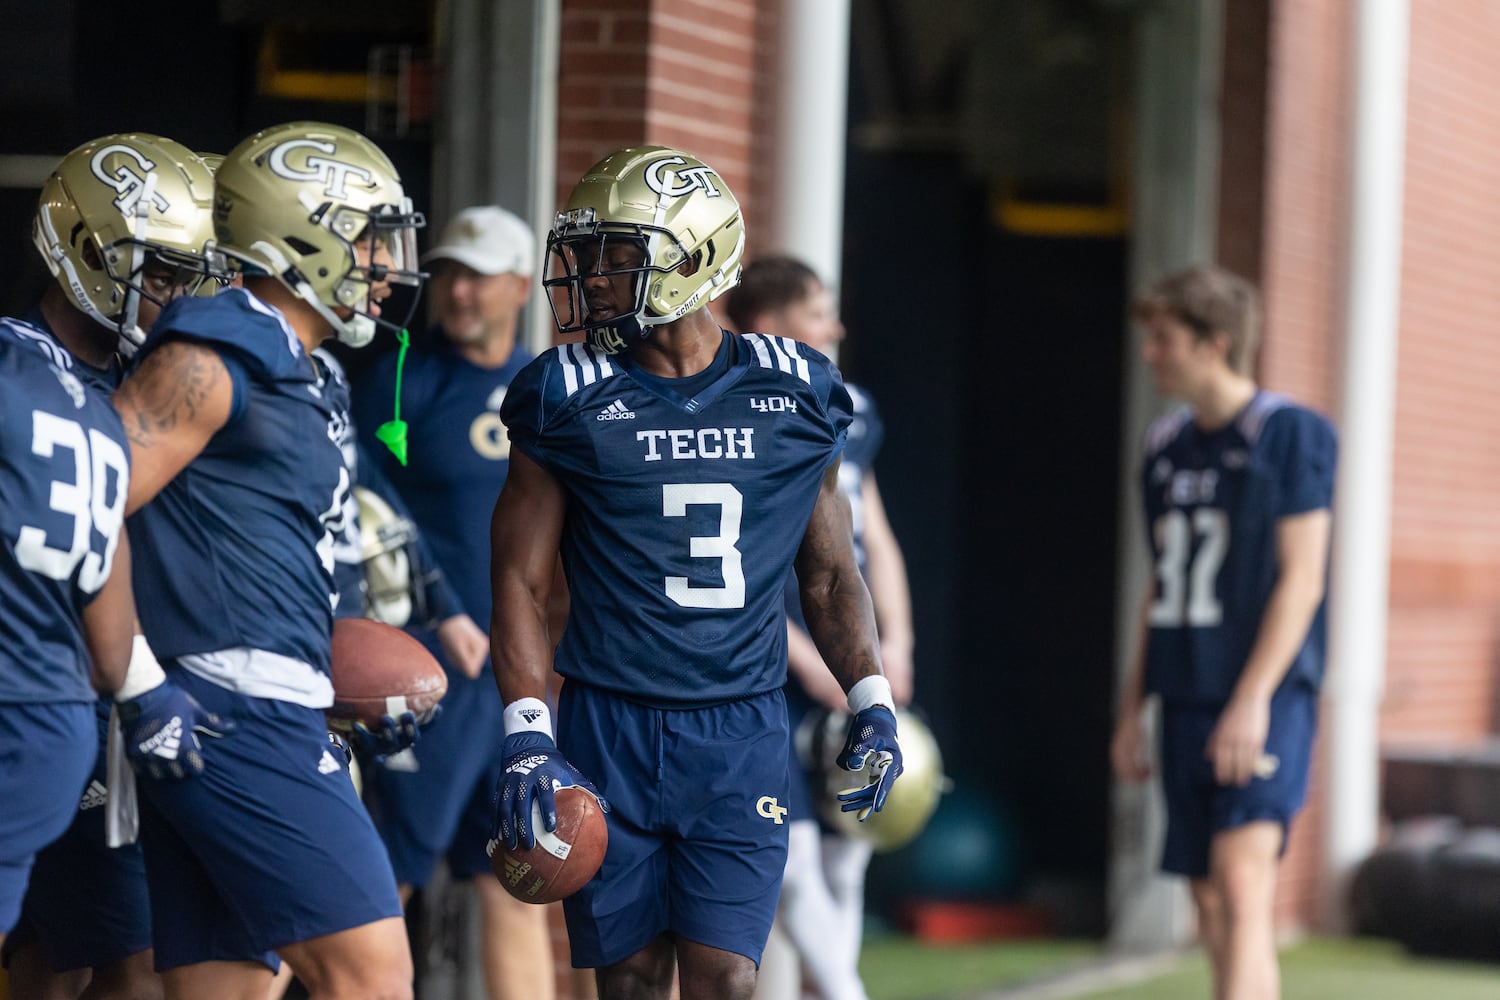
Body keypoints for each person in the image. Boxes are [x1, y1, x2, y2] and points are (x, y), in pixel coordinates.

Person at [486, 145, 905, 1000]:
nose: (592, 277)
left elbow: (829, 575)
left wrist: (872, 696)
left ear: (692, 257)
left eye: (617, 255)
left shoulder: (796, 392)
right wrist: (528, 727)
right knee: (632, 983)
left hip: (739, 730)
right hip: (609, 721)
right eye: (588, 253)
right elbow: (520, 580)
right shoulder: (564, 393)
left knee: (729, 982)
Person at [111, 120, 426, 1000]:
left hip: (252, 703)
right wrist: (140, 681)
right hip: (235, 709)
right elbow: (80, 513)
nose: (387, 268)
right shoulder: (216, 350)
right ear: (306, 233)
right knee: (372, 979)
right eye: (370, 242)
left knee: (228, 991)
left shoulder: (299, 365)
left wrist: (337, 685)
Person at [2, 132, 226, 1000]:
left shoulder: (164, 382)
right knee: (74, 964)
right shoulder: (18, 365)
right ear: (85, 249)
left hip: (108, 709)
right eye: (160, 270)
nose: (172, 296)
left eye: (184, 275)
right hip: (49, 691)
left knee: (107, 960)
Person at [1111, 265, 1336, 1000]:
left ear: (1216, 344)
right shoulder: (1166, 444)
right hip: (1183, 691)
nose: (1151, 353)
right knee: (1209, 898)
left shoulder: (1290, 435)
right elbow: (1161, 583)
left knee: (1244, 888)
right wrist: (1132, 708)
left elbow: (1303, 579)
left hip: (1261, 696)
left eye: (1165, 339)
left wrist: (1253, 699)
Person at [353, 204, 554, 1000]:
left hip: (516, 680)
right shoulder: (399, 375)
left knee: (517, 877)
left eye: (478, 276)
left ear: (517, 286)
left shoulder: (546, 386)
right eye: (448, 275)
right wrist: (438, 612)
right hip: (425, 671)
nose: (460, 292)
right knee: (378, 884)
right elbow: (354, 499)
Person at [726, 256, 914, 1000]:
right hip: (776, 654)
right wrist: (806, 653)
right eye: (817, 312)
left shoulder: (846, 403)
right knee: (790, 853)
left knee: (850, 845)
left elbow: (877, 534)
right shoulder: (733, 404)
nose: (834, 328)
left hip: (848, 640)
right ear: (770, 324)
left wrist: (893, 641)